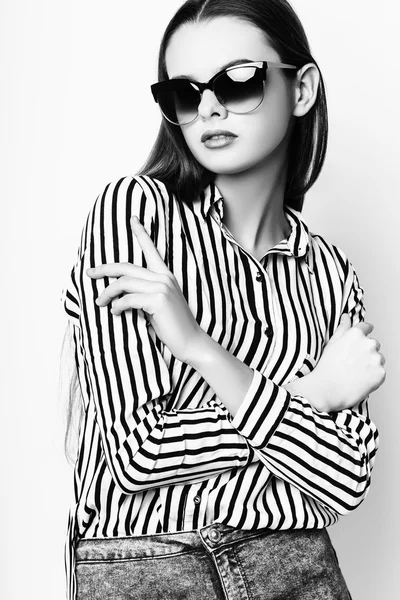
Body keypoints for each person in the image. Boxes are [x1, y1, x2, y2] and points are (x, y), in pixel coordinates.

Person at [61, 1, 386, 598]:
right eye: (186, 93)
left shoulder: (332, 273)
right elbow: (137, 453)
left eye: (239, 81)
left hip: (298, 568)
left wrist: (196, 349)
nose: (209, 106)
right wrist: (312, 396)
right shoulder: (135, 217)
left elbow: (346, 480)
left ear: (302, 88)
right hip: (151, 567)